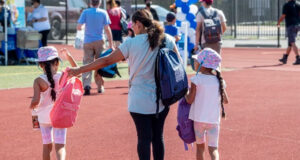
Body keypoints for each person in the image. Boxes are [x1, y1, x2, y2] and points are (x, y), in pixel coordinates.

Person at [68, 9, 181, 160]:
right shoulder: (167, 39)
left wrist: (80, 70)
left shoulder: (131, 43)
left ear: (138, 24)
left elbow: (106, 60)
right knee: (158, 137)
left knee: (144, 139)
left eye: (133, 25)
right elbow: (178, 64)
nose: (131, 28)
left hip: (139, 100)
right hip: (162, 98)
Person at [29, 46, 78, 160]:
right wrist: (69, 56)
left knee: (47, 146)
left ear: (41, 65)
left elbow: (35, 100)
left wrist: (31, 106)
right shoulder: (63, 76)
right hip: (59, 116)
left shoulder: (38, 81)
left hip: (43, 118)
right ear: (57, 62)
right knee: (60, 146)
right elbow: (78, 72)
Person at [185, 48, 229, 160]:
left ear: (203, 64)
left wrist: (186, 92)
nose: (195, 62)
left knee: (200, 148)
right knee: (213, 149)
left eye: (197, 61)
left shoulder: (196, 79)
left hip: (199, 120)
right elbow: (226, 101)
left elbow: (189, 100)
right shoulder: (219, 81)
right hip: (213, 120)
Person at [77, 0, 114, 95]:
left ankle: (87, 85)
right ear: (99, 3)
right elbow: (107, 29)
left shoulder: (85, 12)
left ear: (90, 3)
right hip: (99, 41)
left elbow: (79, 27)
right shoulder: (103, 12)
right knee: (100, 64)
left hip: (88, 41)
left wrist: (86, 26)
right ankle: (99, 86)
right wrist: (111, 44)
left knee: (87, 63)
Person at [277, 0, 300, 65]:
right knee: (290, 43)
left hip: (290, 25)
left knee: (292, 42)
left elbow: (283, 16)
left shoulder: (286, 5)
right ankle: (285, 57)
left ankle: (298, 58)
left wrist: (278, 22)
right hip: (297, 25)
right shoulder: (298, 4)